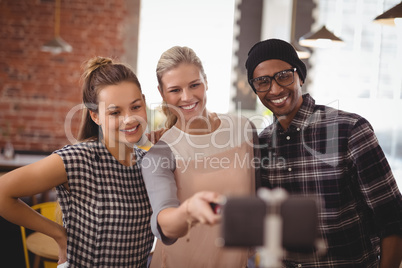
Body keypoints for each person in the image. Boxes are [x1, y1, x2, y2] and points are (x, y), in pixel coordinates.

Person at [245, 38, 402, 267]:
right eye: (262, 82)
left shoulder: (350, 129)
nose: (275, 89)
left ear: (300, 76)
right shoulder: (261, 144)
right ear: (255, 89)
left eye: (284, 76)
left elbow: (392, 218)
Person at [0, 56, 154, 267]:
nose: (129, 119)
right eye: (115, 112)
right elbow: (2, 192)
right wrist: (58, 234)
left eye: (135, 107)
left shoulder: (148, 162)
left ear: (144, 103)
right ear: (95, 116)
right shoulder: (80, 158)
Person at [141, 46, 259, 268]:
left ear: (206, 81)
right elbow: (165, 223)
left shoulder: (244, 129)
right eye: (175, 90)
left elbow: (254, 199)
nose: (187, 97)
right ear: (161, 93)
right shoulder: (162, 152)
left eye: (194, 85)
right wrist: (188, 211)